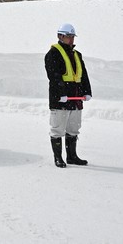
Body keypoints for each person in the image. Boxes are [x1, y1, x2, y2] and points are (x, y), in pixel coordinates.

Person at [44, 23, 92, 168]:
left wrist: (87, 91)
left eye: (72, 36)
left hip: (76, 97)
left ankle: (72, 156)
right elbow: (54, 76)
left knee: (74, 127)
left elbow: (83, 75)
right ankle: (58, 158)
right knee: (57, 128)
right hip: (60, 98)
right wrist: (61, 94)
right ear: (60, 36)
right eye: (68, 36)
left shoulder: (77, 54)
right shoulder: (52, 54)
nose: (71, 39)